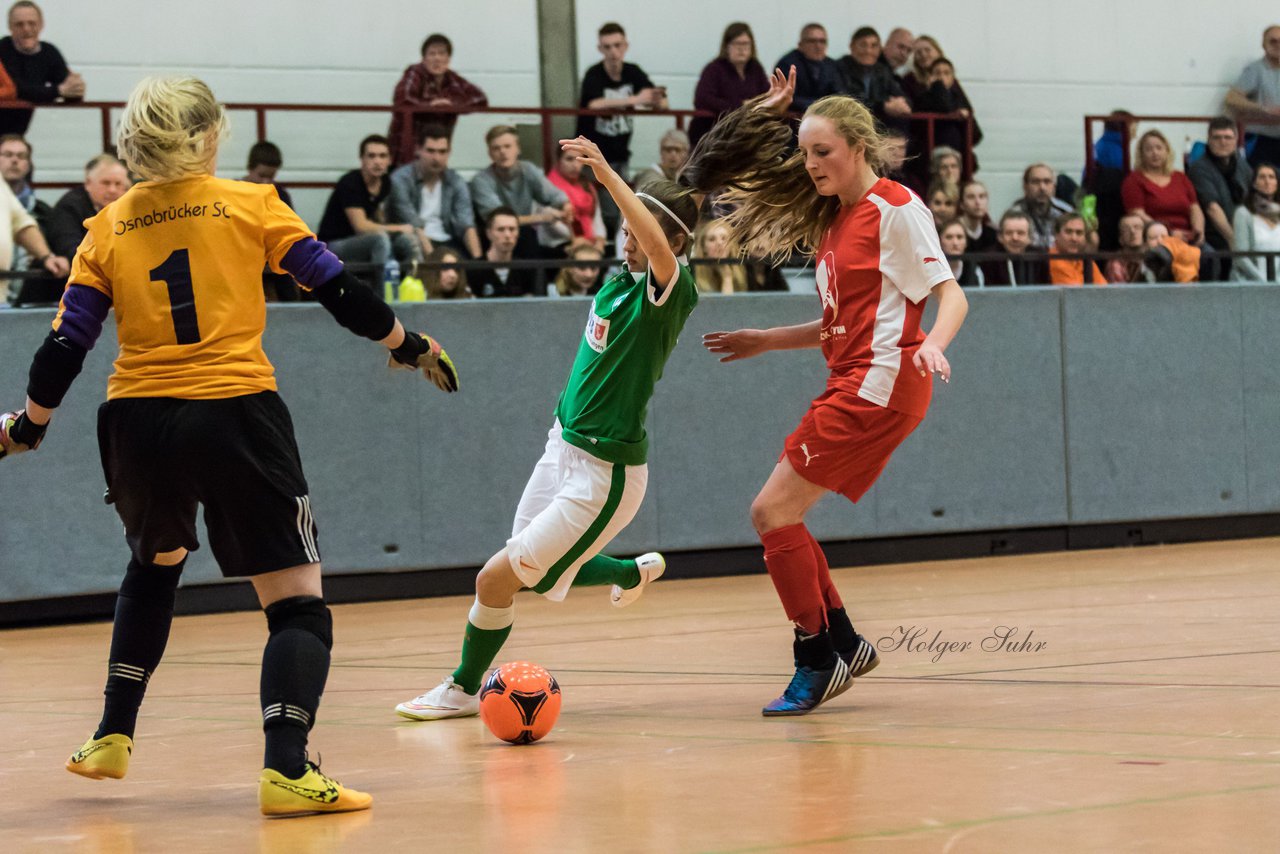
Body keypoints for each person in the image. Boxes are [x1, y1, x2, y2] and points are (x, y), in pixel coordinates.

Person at [0, 76, 458, 816]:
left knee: (154, 565)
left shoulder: (106, 226)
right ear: (209, 136)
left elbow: (65, 346)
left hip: (136, 420)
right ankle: (287, 767)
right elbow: (337, 289)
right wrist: (409, 343)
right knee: (297, 604)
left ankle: (112, 733)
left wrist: (28, 426)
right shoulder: (249, 203)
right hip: (234, 409)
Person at [680, 70, 968, 715]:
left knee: (770, 513)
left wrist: (935, 343)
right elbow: (842, 323)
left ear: (859, 148)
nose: (811, 164)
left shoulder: (896, 208)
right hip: (859, 381)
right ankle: (843, 643)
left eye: (823, 152)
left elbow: (951, 293)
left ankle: (816, 657)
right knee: (786, 514)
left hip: (880, 385)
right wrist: (767, 339)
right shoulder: (840, 223)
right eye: (805, 152)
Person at [394, 136, 699, 723]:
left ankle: (460, 687)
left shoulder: (671, 290)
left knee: (497, 579)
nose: (629, 239)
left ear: (675, 243)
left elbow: (658, 243)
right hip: (561, 449)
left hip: (605, 475)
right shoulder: (616, 281)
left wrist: (610, 177)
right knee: (526, 570)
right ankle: (629, 571)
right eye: (627, 230)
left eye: (639, 232)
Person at [316, 134, 420, 273]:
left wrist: (403, 233)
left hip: (363, 241)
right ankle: (381, 293)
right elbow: (361, 227)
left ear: (389, 160)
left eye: (382, 156)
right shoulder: (350, 183)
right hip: (333, 244)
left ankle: (413, 288)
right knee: (380, 240)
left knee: (408, 241)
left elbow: (378, 216)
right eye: (371, 156)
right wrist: (399, 228)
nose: (377, 161)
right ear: (362, 159)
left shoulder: (385, 183)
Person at [577, 22, 666, 178]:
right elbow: (593, 104)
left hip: (621, 152)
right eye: (607, 47)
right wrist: (634, 100)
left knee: (621, 198)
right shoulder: (594, 74)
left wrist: (654, 100)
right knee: (600, 198)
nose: (613, 52)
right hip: (593, 153)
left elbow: (662, 102)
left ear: (625, 46)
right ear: (600, 49)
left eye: (617, 45)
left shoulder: (632, 72)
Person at [469, 125, 573, 255]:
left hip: (523, 234)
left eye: (507, 146)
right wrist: (543, 218)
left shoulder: (528, 170)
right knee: (526, 235)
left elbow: (555, 196)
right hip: (495, 237)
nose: (502, 152)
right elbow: (499, 219)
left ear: (518, 149)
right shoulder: (481, 180)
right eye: (496, 148)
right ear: (490, 153)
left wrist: (566, 206)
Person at [388, 33, 488, 164]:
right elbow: (403, 99)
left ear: (448, 58)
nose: (437, 59)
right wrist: (431, 106)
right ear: (423, 58)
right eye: (432, 54)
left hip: (437, 153)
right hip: (406, 152)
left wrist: (453, 105)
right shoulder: (415, 72)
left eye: (442, 54)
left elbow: (480, 99)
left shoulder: (453, 79)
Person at [388, 124, 481, 260]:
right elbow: (413, 224)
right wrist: (435, 262)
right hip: (415, 239)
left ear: (449, 153)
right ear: (418, 150)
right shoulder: (401, 179)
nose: (436, 158)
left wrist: (479, 262)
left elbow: (466, 224)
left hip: (447, 240)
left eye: (442, 152)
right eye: (430, 151)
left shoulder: (455, 181)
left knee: (467, 266)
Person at [0, 1, 83, 136]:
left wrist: (76, 88)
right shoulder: (3, 49)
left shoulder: (49, 52)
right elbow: (17, 90)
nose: (26, 29)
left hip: (16, 132)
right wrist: (58, 91)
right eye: (19, 24)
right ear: (10, 27)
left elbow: (68, 90)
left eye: (32, 23)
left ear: (41, 25)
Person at [1188, 117, 1251, 279]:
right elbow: (1212, 208)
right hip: (1216, 239)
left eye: (1228, 137)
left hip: (1242, 235)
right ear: (1208, 140)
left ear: (1236, 140)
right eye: (1217, 137)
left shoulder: (1243, 166)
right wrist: (1234, 241)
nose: (1223, 142)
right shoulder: (1199, 169)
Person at [689, 22, 769, 148]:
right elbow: (702, 98)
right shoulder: (714, 69)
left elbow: (767, 95)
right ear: (726, 46)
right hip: (715, 131)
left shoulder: (755, 68)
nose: (741, 48)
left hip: (749, 131)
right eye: (737, 44)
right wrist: (740, 106)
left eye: (746, 44)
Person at [1121, 129, 1204, 245]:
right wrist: (1168, 232)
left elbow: (1195, 208)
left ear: (1167, 151)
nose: (1155, 153)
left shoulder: (1181, 177)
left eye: (1159, 148)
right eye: (1149, 149)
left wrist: (1198, 231)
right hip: (1155, 239)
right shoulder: (1133, 180)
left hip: (1187, 237)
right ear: (1141, 154)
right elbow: (1137, 214)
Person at [47, 153, 129, 259]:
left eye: (118, 184)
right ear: (88, 183)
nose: (112, 190)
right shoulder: (70, 207)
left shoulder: (127, 207)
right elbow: (72, 252)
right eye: (105, 183)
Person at [835, 27, 911, 131]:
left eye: (874, 46)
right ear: (851, 47)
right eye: (863, 45)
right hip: (846, 127)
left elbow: (904, 97)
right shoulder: (839, 67)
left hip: (875, 130)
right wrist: (883, 106)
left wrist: (902, 105)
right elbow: (846, 100)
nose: (868, 50)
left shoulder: (882, 70)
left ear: (880, 49)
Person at [1225, 26, 1280, 168]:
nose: (1278, 45)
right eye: (1273, 41)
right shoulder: (1256, 69)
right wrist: (1263, 109)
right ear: (1263, 45)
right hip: (1262, 141)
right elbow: (1231, 98)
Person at [911, 58, 982, 163]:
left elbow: (976, 134)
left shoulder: (958, 98)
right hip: (930, 155)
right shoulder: (922, 97)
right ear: (930, 77)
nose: (942, 77)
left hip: (956, 155)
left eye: (946, 73)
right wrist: (938, 86)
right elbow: (944, 106)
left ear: (953, 78)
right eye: (937, 73)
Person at [546, 145, 607, 252]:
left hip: (591, 242)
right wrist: (576, 239)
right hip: (559, 243)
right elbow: (550, 220)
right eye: (569, 159)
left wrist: (600, 241)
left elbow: (596, 217)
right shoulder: (547, 186)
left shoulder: (587, 185)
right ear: (558, 160)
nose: (575, 165)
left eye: (579, 160)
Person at [469, 206, 538, 298]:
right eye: (501, 229)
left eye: (512, 229)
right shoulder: (472, 270)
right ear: (489, 233)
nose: (507, 235)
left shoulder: (528, 270)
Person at [775, 23, 842, 113]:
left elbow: (840, 95)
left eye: (822, 41)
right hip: (795, 118)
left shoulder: (831, 65)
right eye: (812, 41)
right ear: (800, 44)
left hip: (826, 115)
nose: (818, 46)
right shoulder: (787, 64)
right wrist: (821, 105)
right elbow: (788, 98)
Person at [1231, 162, 1280, 281]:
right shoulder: (1243, 213)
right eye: (1262, 177)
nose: (1267, 181)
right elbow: (1240, 257)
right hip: (1250, 282)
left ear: (1277, 183)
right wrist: (1263, 282)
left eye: (1271, 177)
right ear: (1254, 183)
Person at [1009, 163, 1075, 249]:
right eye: (1036, 182)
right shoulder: (1014, 214)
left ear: (1054, 187)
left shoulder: (1066, 212)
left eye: (1047, 182)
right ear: (1025, 187)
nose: (1042, 187)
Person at [982, 210, 1048, 286]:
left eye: (1020, 233)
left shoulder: (1039, 257)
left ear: (1030, 238)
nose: (1015, 238)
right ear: (1000, 237)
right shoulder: (988, 259)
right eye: (1009, 233)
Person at [693, 217, 749, 293]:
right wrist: (727, 278)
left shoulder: (745, 270)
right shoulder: (692, 274)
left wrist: (727, 276)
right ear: (704, 247)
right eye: (712, 239)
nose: (719, 243)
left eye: (724, 238)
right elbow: (724, 304)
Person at [1048, 212, 1104, 285]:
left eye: (1079, 233)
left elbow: (1105, 291)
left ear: (1085, 238)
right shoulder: (1051, 261)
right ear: (1056, 235)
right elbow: (1075, 294)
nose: (1074, 238)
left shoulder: (1085, 261)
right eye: (1068, 232)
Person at [633, 128, 690, 193]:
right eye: (668, 149)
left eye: (677, 150)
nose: (673, 154)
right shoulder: (649, 177)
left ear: (686, 153)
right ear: (661, 152)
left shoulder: (686, 177)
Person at [242, 140, 293, 209]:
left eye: (271, 177)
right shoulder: (233, 192)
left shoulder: (280, 195)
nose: (266, 182)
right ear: (250, 168)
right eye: (261, 175)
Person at [1105, 213, 1148, 284]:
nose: (1132, 232)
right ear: (1120, 238)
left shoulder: (1152, 257)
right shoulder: (1115, 264)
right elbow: (1121, 293)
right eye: (1126, 229)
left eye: (1137, 227)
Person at [938, 218, 982, 286]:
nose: (955, 243)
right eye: (949, 237)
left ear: (966, 243)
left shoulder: (974, 269)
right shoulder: (933, 268)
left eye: (959, 237)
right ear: (939, 242)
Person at [958, 179, 998, 251]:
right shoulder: (952, 232)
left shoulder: (993, 234)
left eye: (982, 196)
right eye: (971, 197)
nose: (978, 202)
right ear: (961, 204)